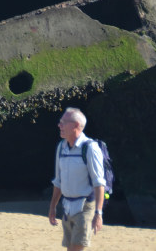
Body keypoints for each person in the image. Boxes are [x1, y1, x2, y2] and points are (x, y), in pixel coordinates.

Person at [48, 107, 106, 251]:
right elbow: (58, 181)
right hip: (67, 207)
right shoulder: (61, 147)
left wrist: (98, 213)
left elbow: (99, 183)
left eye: (63, 122)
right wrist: (52, 207)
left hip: (85, 207)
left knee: (76, 249)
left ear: (75, 125)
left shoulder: (90, 148)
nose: (59, 125)